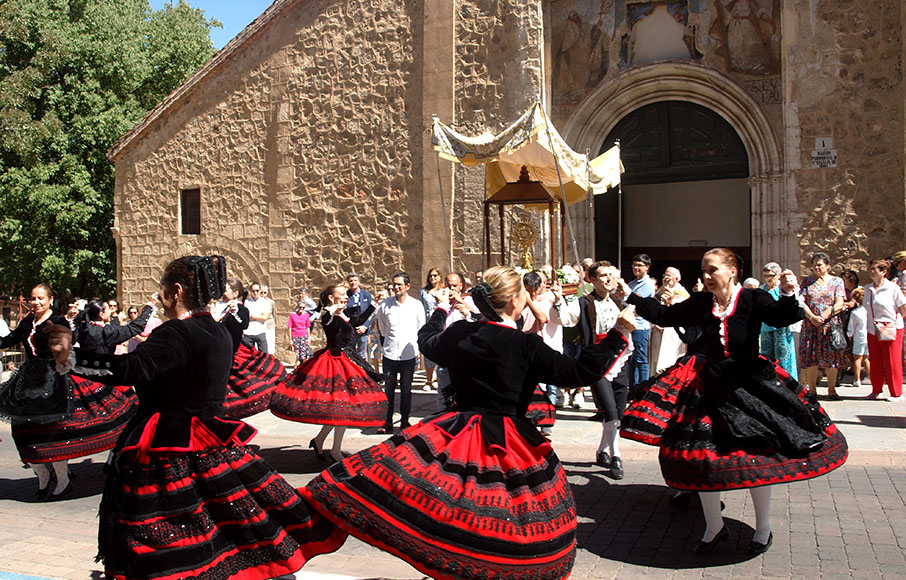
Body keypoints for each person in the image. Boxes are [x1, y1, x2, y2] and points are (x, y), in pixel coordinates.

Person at [301, 265, 635, 580]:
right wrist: (620, 332)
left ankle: (448, 562)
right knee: (496, 516)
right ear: (518, 301)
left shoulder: (462, 332)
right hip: (508, 441)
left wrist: (442, 310)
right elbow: (581, 373)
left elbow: (427, 341)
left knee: (445, 505)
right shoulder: (525, 344)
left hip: (453, 432)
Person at [52, 255, 346, 580]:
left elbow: (131, 368)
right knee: (212, 525)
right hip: (210, 444)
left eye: (162, 289)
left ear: (175, 291)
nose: (161, 296)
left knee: (158, 536)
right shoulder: (221, 333)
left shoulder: (176, 332)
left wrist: (72, 357)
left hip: (166, 445)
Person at [619, 248, 848, 555]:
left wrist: (790, 293)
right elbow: (665, 315)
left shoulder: (753, 299)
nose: (706, 276)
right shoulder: (702, 302)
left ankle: (763, 527)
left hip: (750, 385)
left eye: (712, 269)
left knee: (758, 453)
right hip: (709, 387)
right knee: (703, 457)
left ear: (732, 271)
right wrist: (629, 294)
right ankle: (714, 528)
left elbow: (783, 316)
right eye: (704, 270)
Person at [0, 284, 138, 499]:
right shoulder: (27, 322)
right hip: (28, 383)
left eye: (40, 298)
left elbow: (69, 344)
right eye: (33, 298)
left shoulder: (58, 321)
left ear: (50, 299)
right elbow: (7, 341)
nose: (36, 302)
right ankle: (43, 476)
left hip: (54, 379)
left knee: (53, 433)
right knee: (23, 432)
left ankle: (62, 482)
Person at [271, 285, 387, 462]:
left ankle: (320, 442)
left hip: (347, 361)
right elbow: (325, 320)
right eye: (341, 294)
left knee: (340, 408)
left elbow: (358, 320)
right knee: (341, 408)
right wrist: (332, 309)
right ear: (331, 298)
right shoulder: (328, 313)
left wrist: (374, 304)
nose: (346, 297)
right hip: (333, 363)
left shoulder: (343, 313)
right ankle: (334, 450)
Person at [559, 261, 633, 479]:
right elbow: (565, 319)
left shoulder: (621, 301)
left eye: (610, 274)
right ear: (592, 280)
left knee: (618, 411)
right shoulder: (584, 302)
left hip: (620, 359)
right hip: (598, 361)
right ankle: (616, 455)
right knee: (608, 409)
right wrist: (557, 301)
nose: (608, 279)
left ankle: (602, 450)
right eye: (603, 276)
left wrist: (628, 296)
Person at [214, 277, 286, 418]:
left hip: (235, 352)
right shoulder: (218, 307)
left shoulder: (241, 309)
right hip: (221, 353)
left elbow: (244, 324)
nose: (222, 291)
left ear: (235, 293)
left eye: (226, 289)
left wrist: (234, 313)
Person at [373, 271, 425, 434]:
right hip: (389, 354)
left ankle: (404, 421)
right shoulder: (384, 306)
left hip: (408, 354)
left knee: (406, 389)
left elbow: (421, 328)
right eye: (394, 284)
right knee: (388, 390)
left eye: (399, 284)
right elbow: (382, 328)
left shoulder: (416, 305)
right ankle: (386, 422)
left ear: (407, 286)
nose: (396, 287)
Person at [799, 252, 846, 400]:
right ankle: (812, 390)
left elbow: (839, 303)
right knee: (811, 357)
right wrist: (812, 317)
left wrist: (824, 316)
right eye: (814, 265)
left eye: (819, 264)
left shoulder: (836, 282)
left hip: (829, 325)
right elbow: (801, 301)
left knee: (831, 357)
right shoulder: (807, 282)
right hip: (811, 325)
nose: (816, 267)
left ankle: (831, 390)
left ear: (827, 266)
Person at [863, 258, 906, 401]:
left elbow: (903, 307)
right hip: (872, 328)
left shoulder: (893, 288)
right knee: (875, 360)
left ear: (884, 272)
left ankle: (896, 393)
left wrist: (894, 323)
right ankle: (876, 390)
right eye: (871, 268)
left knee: (892, 361)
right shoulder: (867, 288)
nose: (872, 271)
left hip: (891, 328)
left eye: (875, 269)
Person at [759, 262, 798, 379]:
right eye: (766, 276)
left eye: (771, 275)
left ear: (778, 275)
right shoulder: (761, 289)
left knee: (784, 359)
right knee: (767, 358)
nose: (768, 279)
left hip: (782, 329)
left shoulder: (783, 289)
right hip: (765, 328)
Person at [649, 267, 690, 375]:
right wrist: (655, 323)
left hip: (672, 332)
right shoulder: (659, 292)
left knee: (669, 360)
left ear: (676, 278)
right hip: (658, 330)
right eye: (665, 275)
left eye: (669, 276)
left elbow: (680, 314)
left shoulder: (682, 294)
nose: (666, 278)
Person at [628, 253, 656, 386]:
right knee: (631, 358)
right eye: (634, 265)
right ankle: (633, 387)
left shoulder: (648, 284)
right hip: (630, 325)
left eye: (639, 265)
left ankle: (643, 387)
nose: (635, 268)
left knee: (640, 358)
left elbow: (635, 302)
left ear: (647, 267)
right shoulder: (632, 283)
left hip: (640, 325)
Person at [418, 268, 444, 390]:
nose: (432, 278)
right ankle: (428, 380)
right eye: (430, 276)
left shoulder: (444, 291)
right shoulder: (424, 292)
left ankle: (439, 378)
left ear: (439, 277)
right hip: (428, 321)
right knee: (428, 351)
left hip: (442, 322)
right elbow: (420, 307)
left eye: (435, 276)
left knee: (441, 349)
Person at [345, 272, 375, 360]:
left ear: (359, 282)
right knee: (350, 354)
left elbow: (372, 313)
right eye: (351, 281)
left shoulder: (366, 295)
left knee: (362, 355)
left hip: (363, 330)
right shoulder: (346, 295)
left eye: (355, 280)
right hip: (351, 330)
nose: (353, 282)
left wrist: (365, 326)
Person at [847, 286, 870, 388]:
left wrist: (849, 335)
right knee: (865, 358)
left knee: (857, 358)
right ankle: (870, 377)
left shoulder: (855, 312)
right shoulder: (869, 311)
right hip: (868, 336)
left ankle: (857, 379)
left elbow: (851, 326)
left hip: (858, 337)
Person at [242, 281, 270, 352]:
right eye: (253, 291)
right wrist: (259, 316)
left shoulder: (265, 302)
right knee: (248, 356)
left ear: (260, 290)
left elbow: (265, 317)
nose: (255, 293)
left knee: (264, 355)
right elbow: (246, 317)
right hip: (248, 332)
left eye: (257, 291)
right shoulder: (246, 302)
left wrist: (253, 316)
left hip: (260, 331)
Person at [261, 284, 277, 354]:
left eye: (265, 293)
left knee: (270, 342)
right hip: (259, 325)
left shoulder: (271, 302)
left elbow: (274, 314)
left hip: (269, 324)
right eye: (261, 293)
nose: (263, 295)